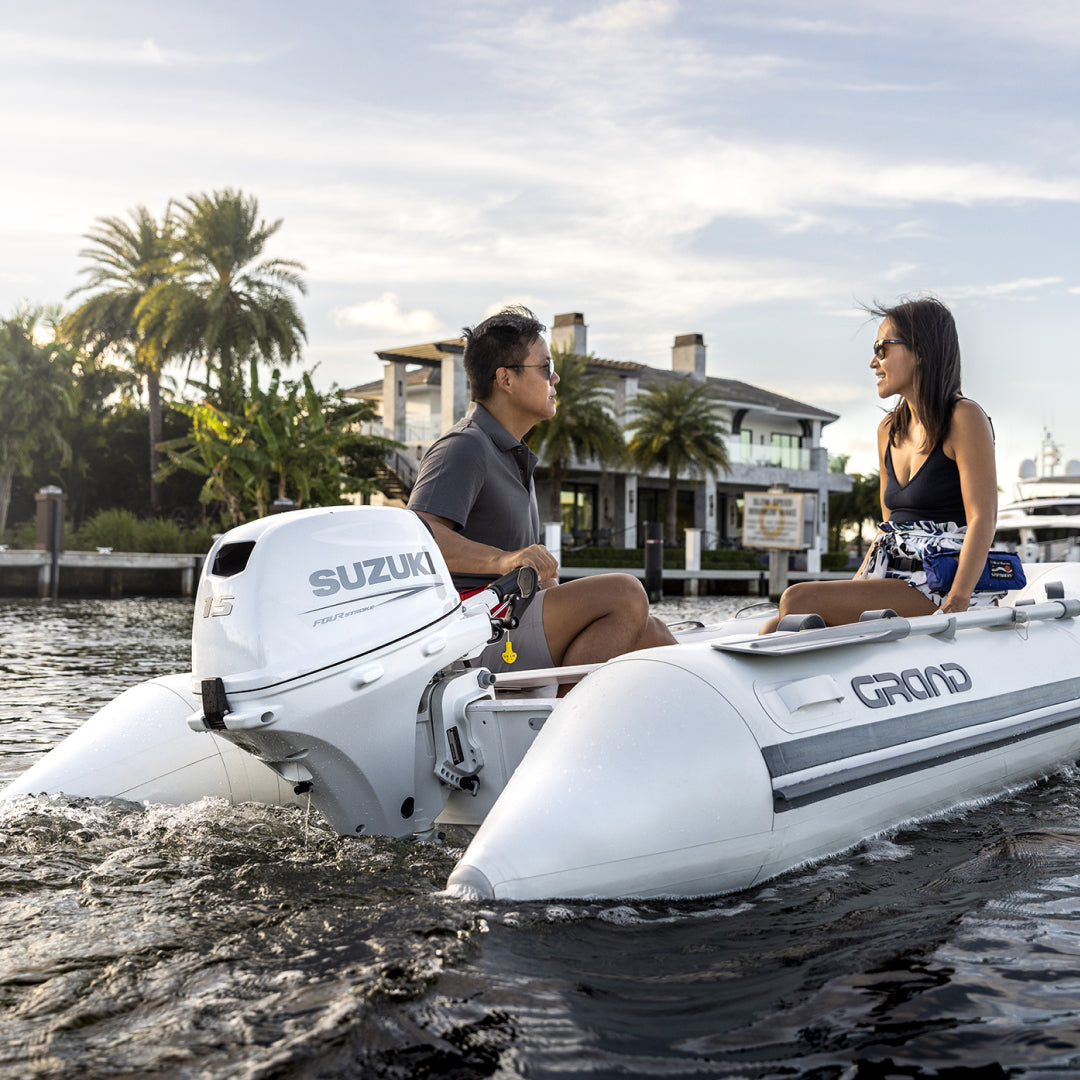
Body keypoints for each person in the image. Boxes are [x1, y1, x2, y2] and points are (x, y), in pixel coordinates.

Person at [407, 305, 676, 674]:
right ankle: (568, 710)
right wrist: (505, 560)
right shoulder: (464, 446)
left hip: (511, 617)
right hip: (473, 635)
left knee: (654, 634)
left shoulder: (510, 453)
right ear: (506, 379)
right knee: (624, 593)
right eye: (546, 368)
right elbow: (418, 540)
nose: (556, 378)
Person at [760, 296, 999, 633]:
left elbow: (983, 519)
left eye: (882, 349)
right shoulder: (888, 430)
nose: (874, 362)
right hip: (894, 579)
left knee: (797, 599)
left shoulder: (964, 417)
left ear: (921, 351)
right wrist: (854, 588)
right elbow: (889, 531)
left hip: (944, 583)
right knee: (773, 628)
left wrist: (956, 603)